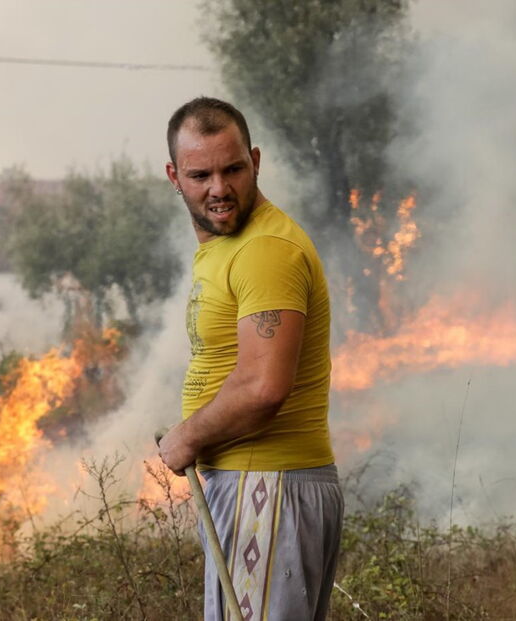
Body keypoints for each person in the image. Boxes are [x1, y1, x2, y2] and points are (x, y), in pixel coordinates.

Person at [158, 96, 343, 621]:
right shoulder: (225, 247)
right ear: (174, 176)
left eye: (233, 169)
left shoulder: (265, 250)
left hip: (269, 488)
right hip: (255, 486)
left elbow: (264, 387)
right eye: (201, 175)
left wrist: (188, 436)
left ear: (255, 162)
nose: (219, 188)